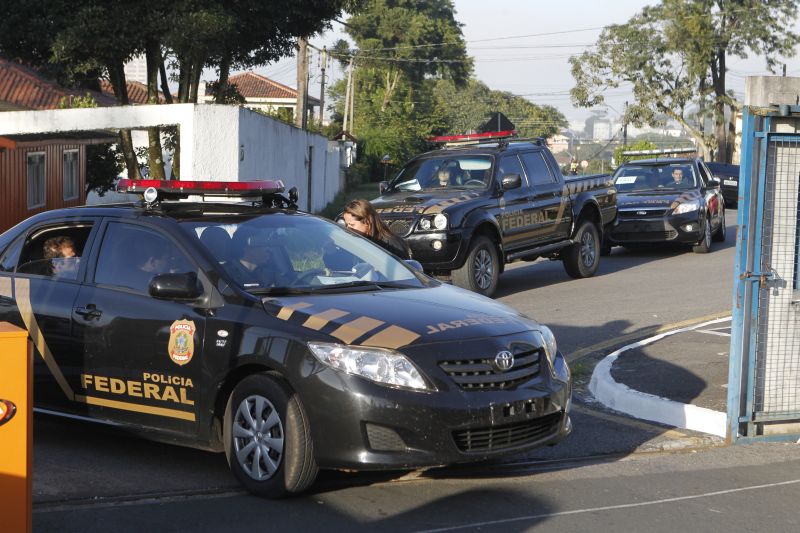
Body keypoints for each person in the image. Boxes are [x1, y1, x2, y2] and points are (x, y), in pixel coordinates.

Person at [342, 199, 411, 259]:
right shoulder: (360, 241)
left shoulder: (392, 245)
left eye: (352, 225)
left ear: (367, 222)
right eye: (346, 224)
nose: (348, 228)